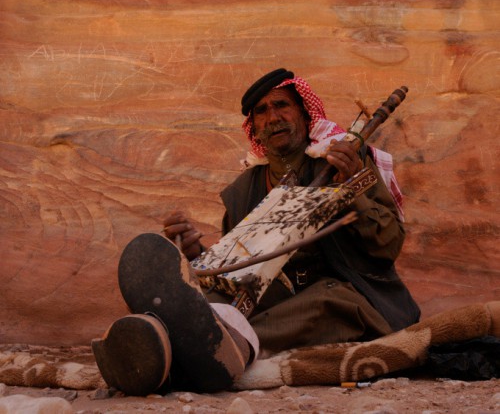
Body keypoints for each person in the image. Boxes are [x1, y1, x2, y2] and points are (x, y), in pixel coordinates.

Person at [93, 68, 420, 395]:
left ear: (306, 116)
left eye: (281, 105)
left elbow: (388, 245)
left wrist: (353, 190)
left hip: (348, 291)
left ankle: (210, 347)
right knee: (213, 299)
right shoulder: (243, 191)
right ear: (255, 131)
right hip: (271, 294)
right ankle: (154, 338)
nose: (272, 117)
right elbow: (243, 271)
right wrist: (198, 256)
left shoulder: (346, 160)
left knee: (327, 300)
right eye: (261, 112)